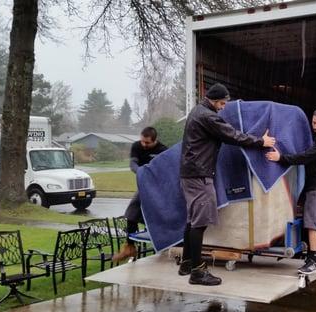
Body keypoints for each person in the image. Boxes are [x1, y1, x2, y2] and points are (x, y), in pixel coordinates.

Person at [179, 83, 276, 286]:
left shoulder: (198, 111)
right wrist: (261, 142)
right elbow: (232, 135)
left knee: (192, 219)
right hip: (199, 174)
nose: (224, 106)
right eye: (222, 103)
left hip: (190, 173)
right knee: (199, 222)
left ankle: (187, 262)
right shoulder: (207, 116)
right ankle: (197, 272)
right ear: (214, 100)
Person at [266, 108, 316, 274]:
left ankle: (313, 260)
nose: (315, 126)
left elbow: (304, 157)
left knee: (311, 225)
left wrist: (280, 158)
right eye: (313, 122)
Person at [113, 127, 167, 262]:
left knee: (155, 216)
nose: (144, 145)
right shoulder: (136, 146)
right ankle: (129, 247)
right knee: (131, 212)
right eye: (142, 141)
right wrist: (141, 172)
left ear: (155, 140)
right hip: (144, 185)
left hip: (158, 186)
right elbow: (133, 164)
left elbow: (164, 170)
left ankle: (163, 245)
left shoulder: (163, 150)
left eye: (147, 143)